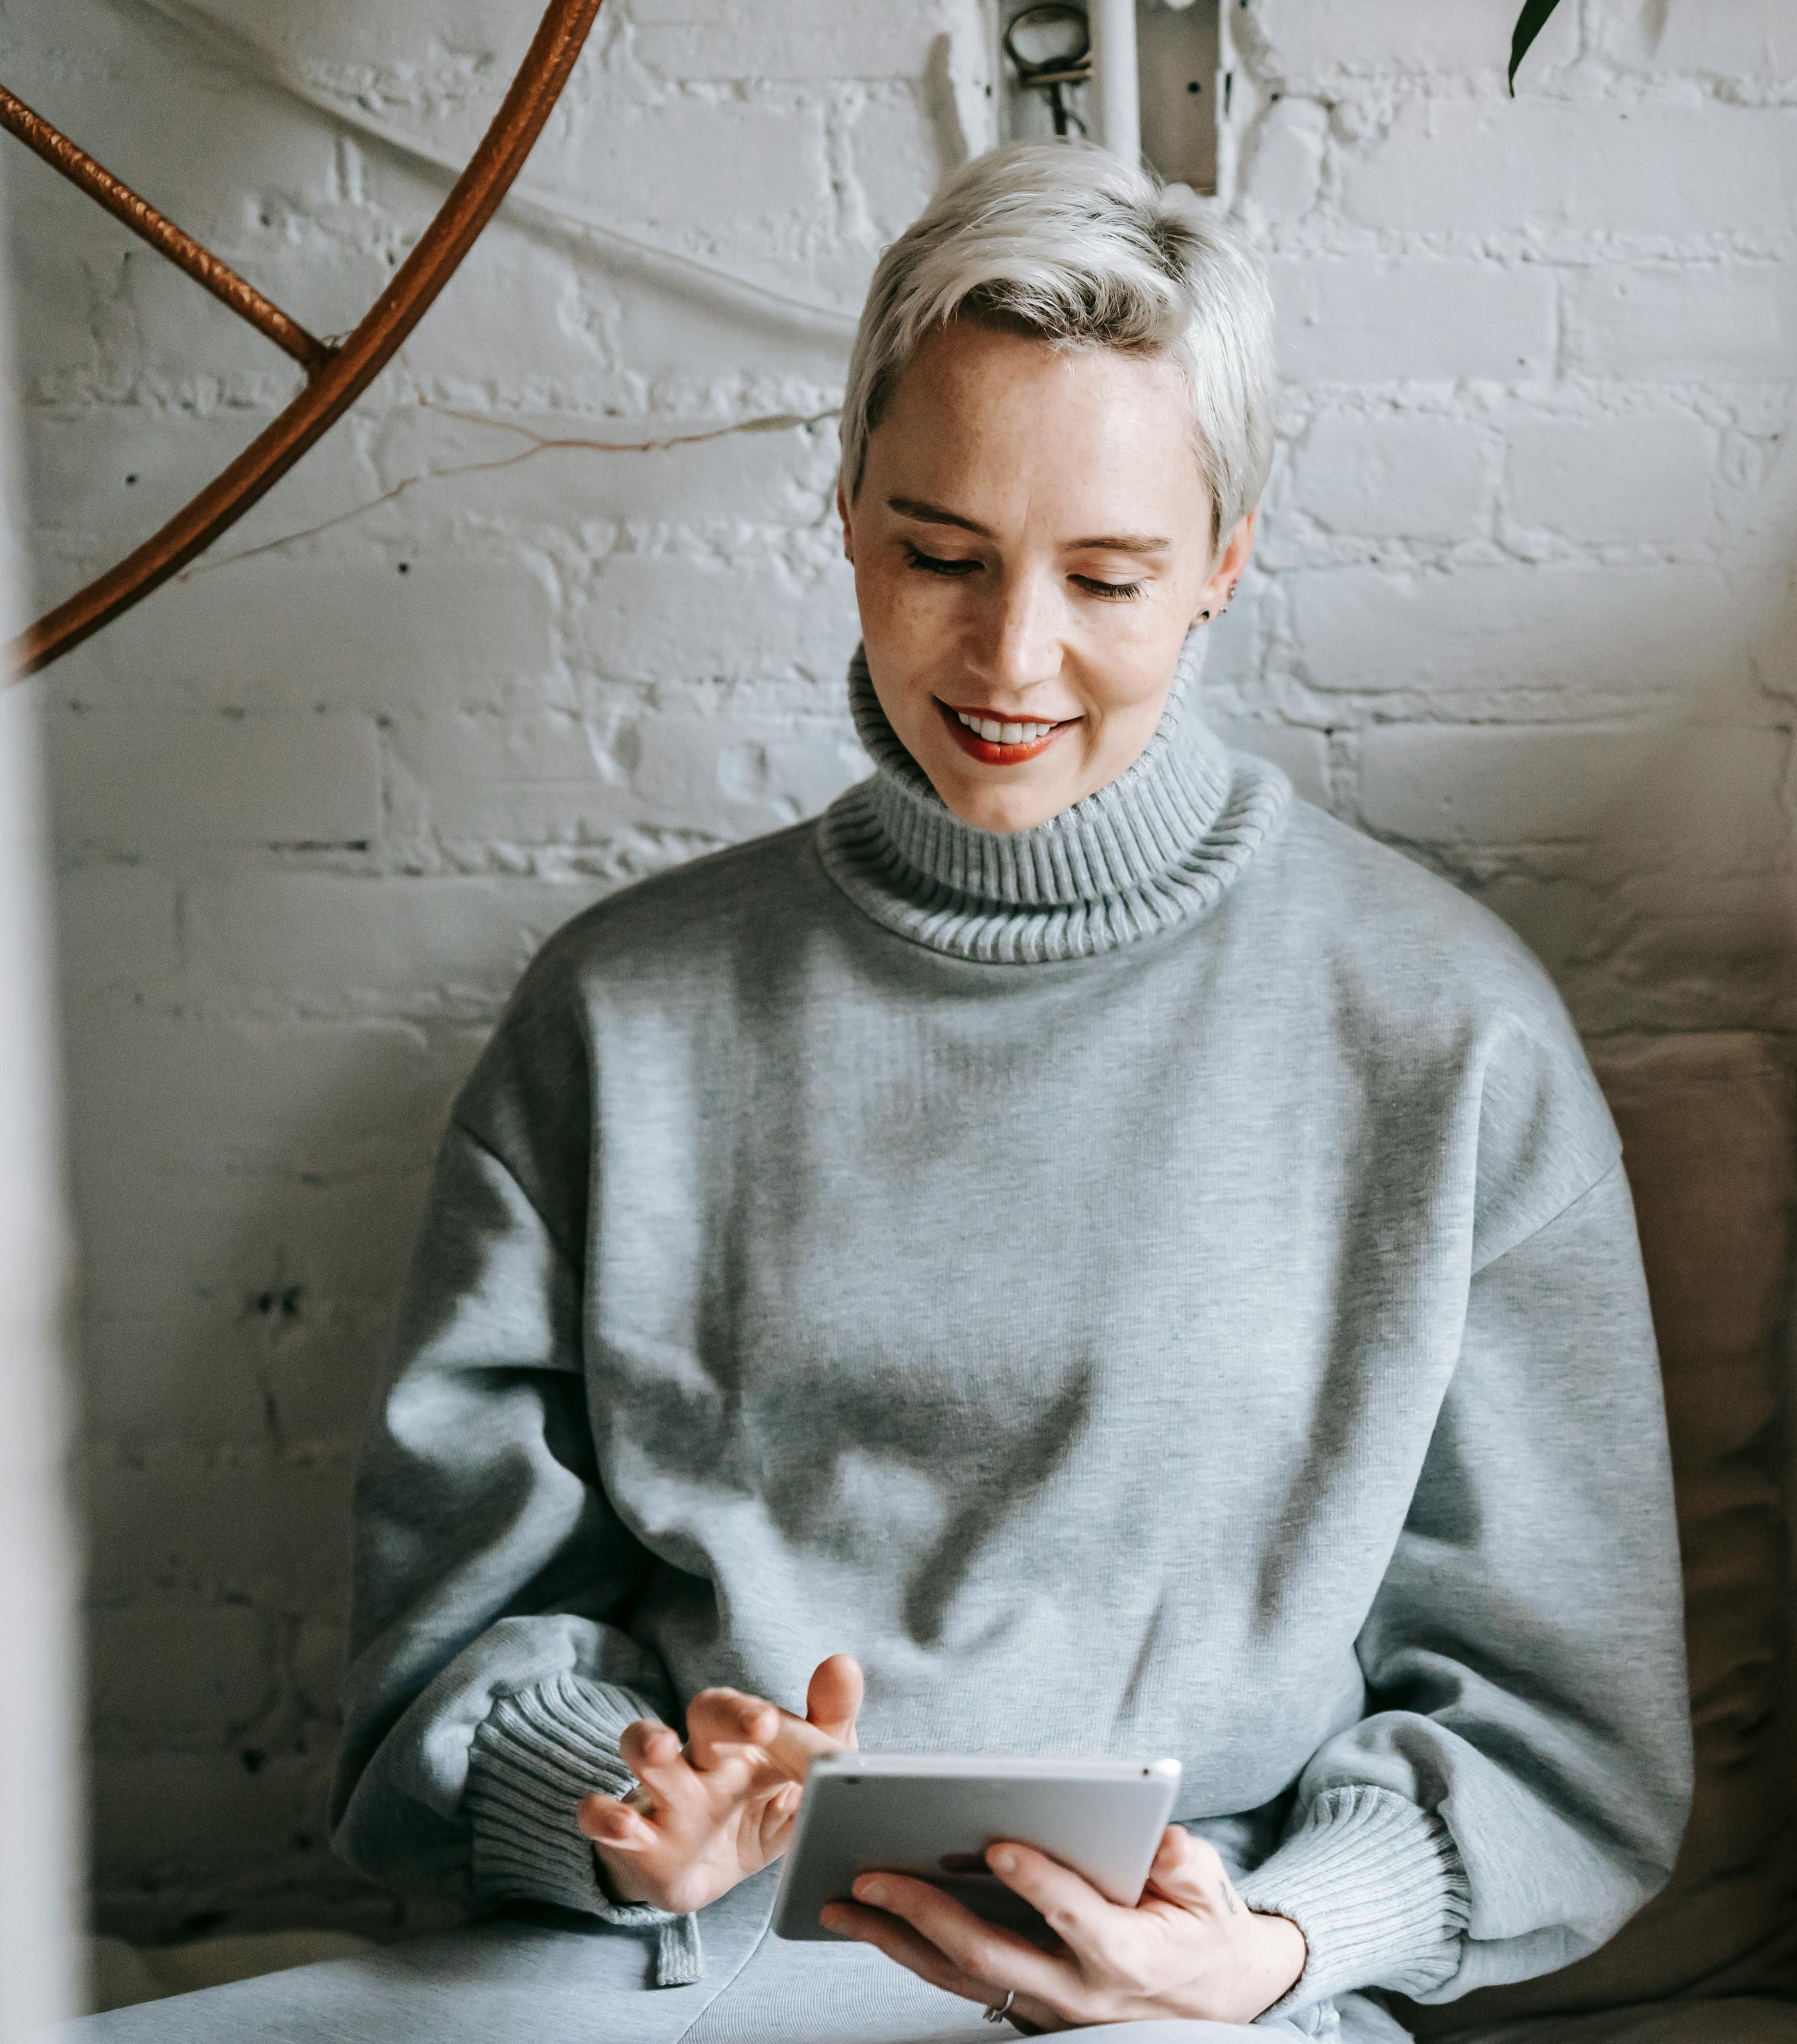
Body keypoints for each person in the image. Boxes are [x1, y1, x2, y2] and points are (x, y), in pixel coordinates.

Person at [75, 140, 1690, 2043]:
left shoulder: (1443, 1031)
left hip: (1179, 1997)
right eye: (939, 554)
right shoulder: (623, 1014)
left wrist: (1264, 1944)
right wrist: (616, 1805)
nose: (1011, 657)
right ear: (843, 509)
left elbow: (1569, 1732)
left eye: (1105, 576)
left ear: (1225, 565)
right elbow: (442, 1651)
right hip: (659, 1960)